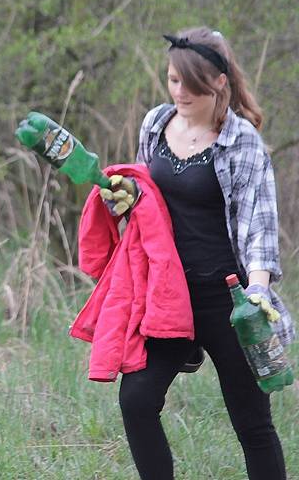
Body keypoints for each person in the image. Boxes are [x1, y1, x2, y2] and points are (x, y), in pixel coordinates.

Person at [117, 27, 292, 479]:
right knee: (136, 402)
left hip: (228, 300)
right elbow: (148, 201)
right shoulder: (156, 123)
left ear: (218, 82)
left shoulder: (242, 142)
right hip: (170, 296)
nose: (179, 92)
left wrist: (257, 290)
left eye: (188, 84)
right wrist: (125, 197)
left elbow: (260, 227)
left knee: (252, 425)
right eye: (173, 80)